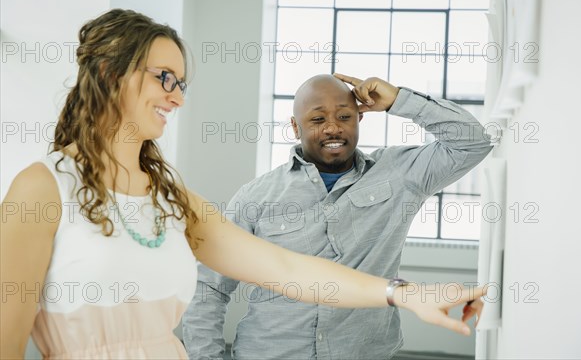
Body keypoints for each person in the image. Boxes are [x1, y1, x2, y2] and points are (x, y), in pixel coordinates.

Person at [0, 9, 487, 360]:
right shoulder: (42, 189)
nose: (177, 98)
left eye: (182, 84)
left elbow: (284, 268)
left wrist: (402, 294)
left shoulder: (170, 197)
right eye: (165, 78)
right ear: (110, 73)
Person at [183, 74, 493, 359]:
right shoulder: (256, 196)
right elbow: (209, 286)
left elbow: (473, 143)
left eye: (344, 116)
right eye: (318, 119)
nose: (333, 127)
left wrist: (398, 99)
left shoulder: (400, 174)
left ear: (360, 117)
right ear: (295, 126)